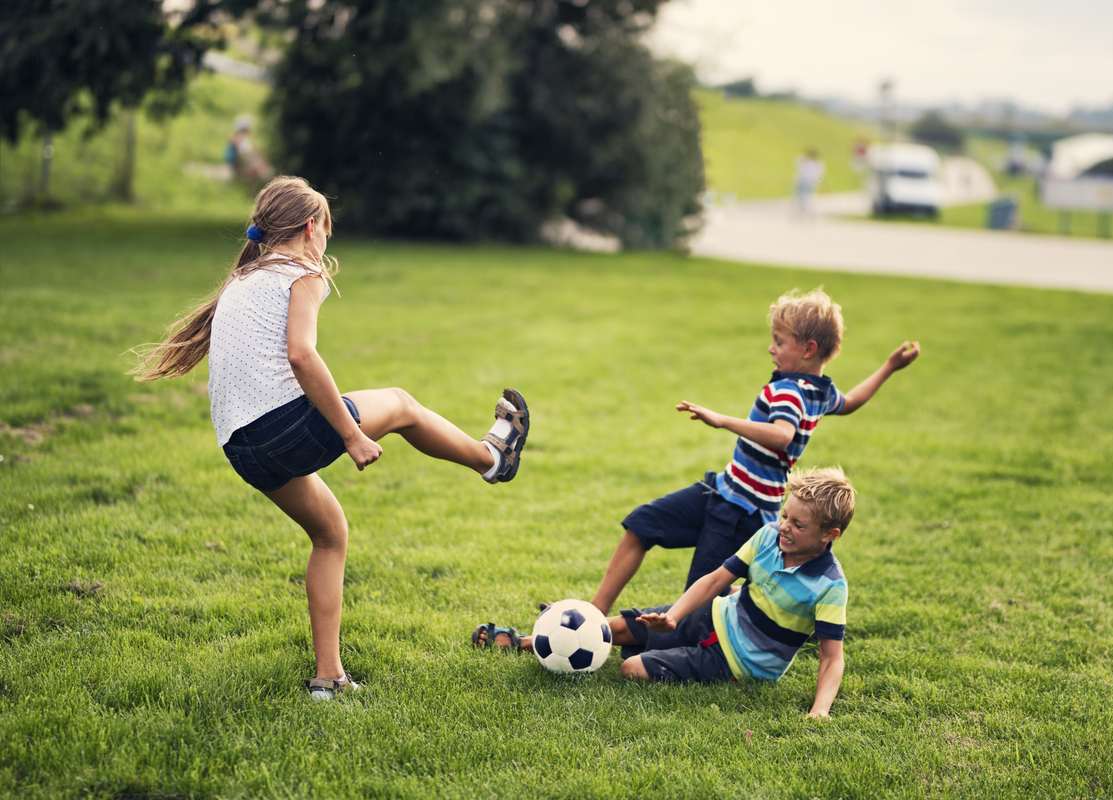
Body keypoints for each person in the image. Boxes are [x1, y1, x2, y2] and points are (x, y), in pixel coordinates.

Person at [131, 176, 530, 700]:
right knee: (403, 404)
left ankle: (329, 679)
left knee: (330, 533)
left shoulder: (243, 280)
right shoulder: (302, 271)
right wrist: (350, 434)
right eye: (327, 231)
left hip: (241, 448)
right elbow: (301, 354)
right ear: (310, 227)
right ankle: (490, 459)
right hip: (284, 428)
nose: (327, 243)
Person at [585, 287, 917, 616]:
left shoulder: (791, 392)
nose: (770, 348)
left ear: (808, 348)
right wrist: (889, 367)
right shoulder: (821, 391)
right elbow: (851, 403)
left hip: (742, 513)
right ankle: (595, 611)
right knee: (644, 523)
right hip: (723, 490)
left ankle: (770, 600)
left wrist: (723, 420)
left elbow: (782, 435)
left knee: (698, 598)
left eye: (779, 341)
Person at [474, 466, 855, 718]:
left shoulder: (830, 586)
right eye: (784, 515)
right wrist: (675, 615)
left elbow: (830, 658)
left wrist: (819, 711)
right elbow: (714, 581)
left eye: (798, 525)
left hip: (739, 664)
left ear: (829, 534)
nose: (784, 527)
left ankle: (655, 652)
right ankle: (526, 640)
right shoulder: (769, 536)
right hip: (714, 615)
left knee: (631, 668)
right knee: (619, 627)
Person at [794, 149, 825, 217]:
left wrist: (817, 181)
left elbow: (820, 174)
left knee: (810, 197)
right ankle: (801, 210)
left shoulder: (818, 164)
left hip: (811, 183)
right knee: (801, 196)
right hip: (803, 181)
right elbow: (798, 162)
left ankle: (809, 211)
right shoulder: (805, 162)